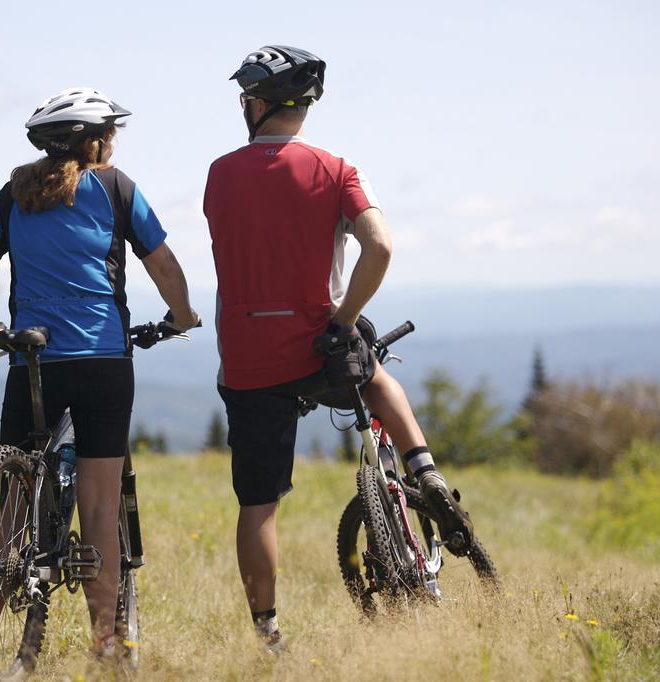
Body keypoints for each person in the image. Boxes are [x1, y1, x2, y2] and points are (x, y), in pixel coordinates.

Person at [203, 46, 474, 651]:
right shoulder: (337, 168)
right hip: (319, 346)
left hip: (248, 357)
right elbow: (379, 248)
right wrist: (345, 317)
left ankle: (268, 635)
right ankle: (423, 470)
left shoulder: (219, 173)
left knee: (259, 504)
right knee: (376, 377)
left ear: (257, 103)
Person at [0, 87, 199, 659]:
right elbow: (163, 263)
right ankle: (106, 643)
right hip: (101, 359)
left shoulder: (14, 191)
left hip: (31, 359)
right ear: (89, 141)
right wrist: (184, 317)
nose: (113, 142)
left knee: (13, 502)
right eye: (108, 133)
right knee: (98, 503)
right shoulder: (116, 189)